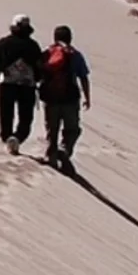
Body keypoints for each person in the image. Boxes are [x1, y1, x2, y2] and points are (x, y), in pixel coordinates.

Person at [0, 14, 43, 155]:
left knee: (6, 116)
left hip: (7, 85)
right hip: (27, 86)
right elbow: (40, 67)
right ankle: (17, 138)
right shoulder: (33, 46)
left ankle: (8, 138)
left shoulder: (3, 43)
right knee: (26, 118)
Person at [39, 24, 92, 170]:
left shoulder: (47, 53)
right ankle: (64, 149)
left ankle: (51, 157)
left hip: (50, 99)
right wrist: (87, 97)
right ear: (70, 38)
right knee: (72, 129)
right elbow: (83, 77)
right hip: (70, 99)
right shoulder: (75, 55)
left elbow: (39, 73)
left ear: (55, 37)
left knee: (52, 129)